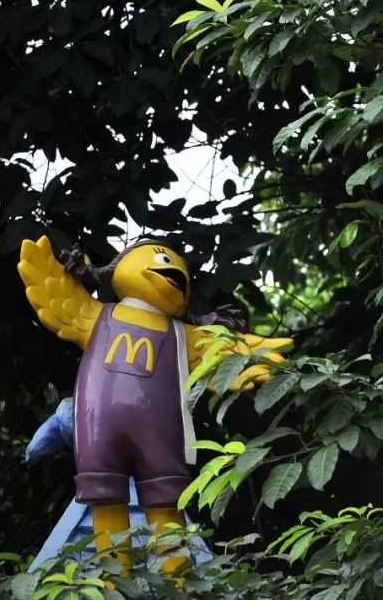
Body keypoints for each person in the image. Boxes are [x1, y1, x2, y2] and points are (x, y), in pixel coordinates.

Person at [17, 235, 291, 574]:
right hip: (99, 429)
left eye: (182, 272)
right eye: (162, 258)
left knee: (165, 501)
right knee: (105, 498)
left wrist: (248, 351)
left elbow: (229, 357)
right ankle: (114, 578)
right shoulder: (97, 316)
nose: (175, 271)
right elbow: (60, 299)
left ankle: (177, 577)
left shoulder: (181, 334)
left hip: (159, 434)